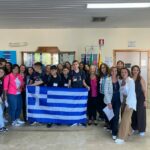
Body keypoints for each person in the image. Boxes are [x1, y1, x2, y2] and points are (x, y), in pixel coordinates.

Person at [115, 68, 136, 144]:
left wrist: (128, 104)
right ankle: (129, 131)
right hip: (123, 101)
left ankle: (122, 137)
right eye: (122, 72)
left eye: (125, 72)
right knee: (126, 118)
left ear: (128, 73)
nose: (123, 73)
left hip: (129, 102)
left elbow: (131, 94)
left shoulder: (131, 81)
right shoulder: (121, 81)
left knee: (124, 120)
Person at [68, 60, 90, 126]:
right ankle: (73, 120)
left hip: (81, 92)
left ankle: (81, 120)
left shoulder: (82, 72)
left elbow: (83, 82)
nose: (75, 65)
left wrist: (87, 86)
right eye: (74, 64)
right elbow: (69, 82)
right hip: (73, 92)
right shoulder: (71, 73)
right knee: (74, 106)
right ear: (72, 65)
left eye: (76, 64)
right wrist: (68, 88)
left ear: (78, 65)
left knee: (81, 106)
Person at [104, 67, 121, 140]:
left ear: (117, 72)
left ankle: (114, 132)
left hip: (118, 98)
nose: (114, 72)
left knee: (116, 115)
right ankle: (111, 127)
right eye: (112, 71)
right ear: (110, 72)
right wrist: (109, 102)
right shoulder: (107, 79)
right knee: (110, 115)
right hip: (110, 98)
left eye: (115, 71)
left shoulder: (119, 79)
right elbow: (105, 91)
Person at [131, 65, 147, 136]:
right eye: (134, 70)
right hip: (132, 99)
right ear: (132, 71)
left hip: (140, 98)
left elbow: (144, 90)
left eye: (137, 70)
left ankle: (142, 130)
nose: (135, 71)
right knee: (133, 113)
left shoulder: (141, 79)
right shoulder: (130, 78)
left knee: (141, 114)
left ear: (139, 71)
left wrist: (145, 100)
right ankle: (134, 127)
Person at [0, 68, 8, 132]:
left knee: (1, 112)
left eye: (2, 72)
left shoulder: (2, 79)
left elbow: (3, 90)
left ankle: (2, 126)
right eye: (0, 71)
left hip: (1, 98)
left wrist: (4, 97)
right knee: (0, 112)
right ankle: (2, 126)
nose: (1, 73)